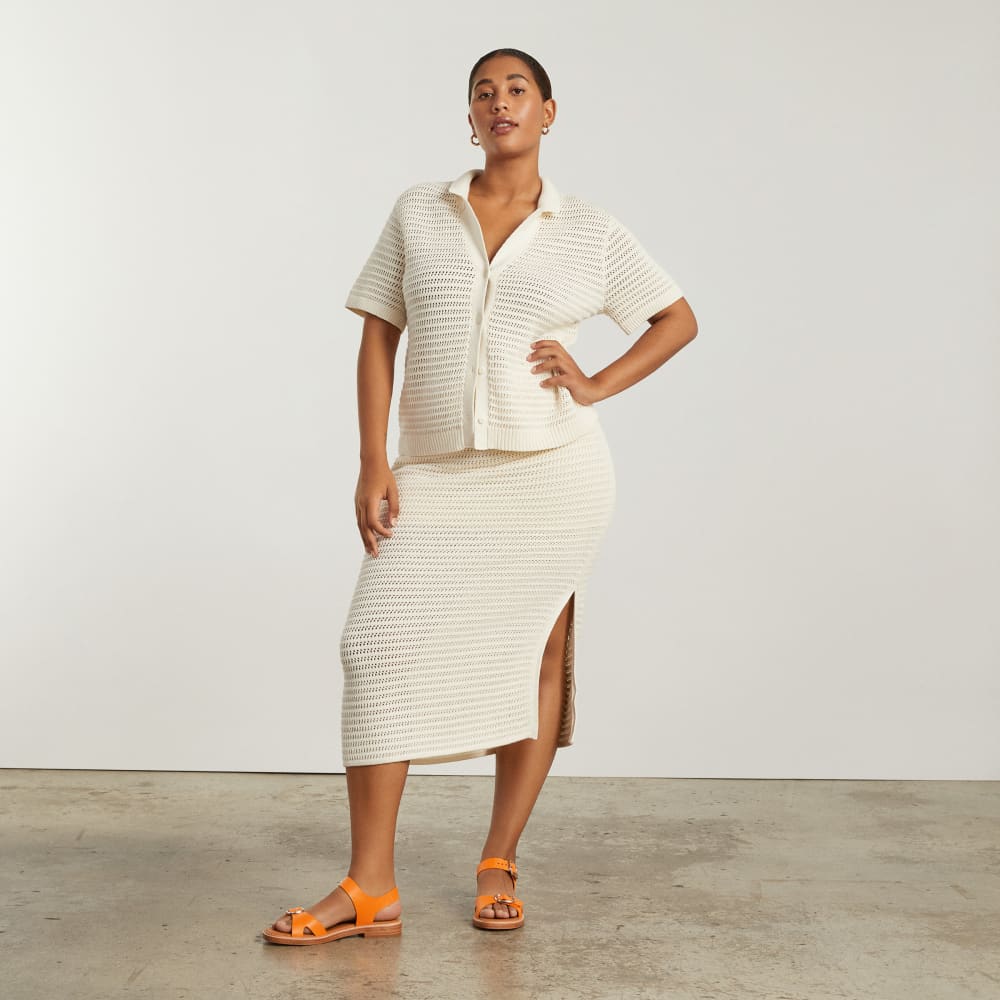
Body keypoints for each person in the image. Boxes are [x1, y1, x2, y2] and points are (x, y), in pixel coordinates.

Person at [263, 46, 698, 945]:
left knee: (536, 654)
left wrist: (596, 384)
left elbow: (677, 318)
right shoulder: (419, 213)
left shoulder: (587, 228)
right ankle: (370, 885)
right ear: (469, 118)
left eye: (518, 90)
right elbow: (378, 336)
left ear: (548, 112)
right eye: (484, 93)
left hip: (552, 475)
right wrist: (373, 460)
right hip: (432, 470)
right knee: (375, 645)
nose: (500, 103)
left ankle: (499, 857)